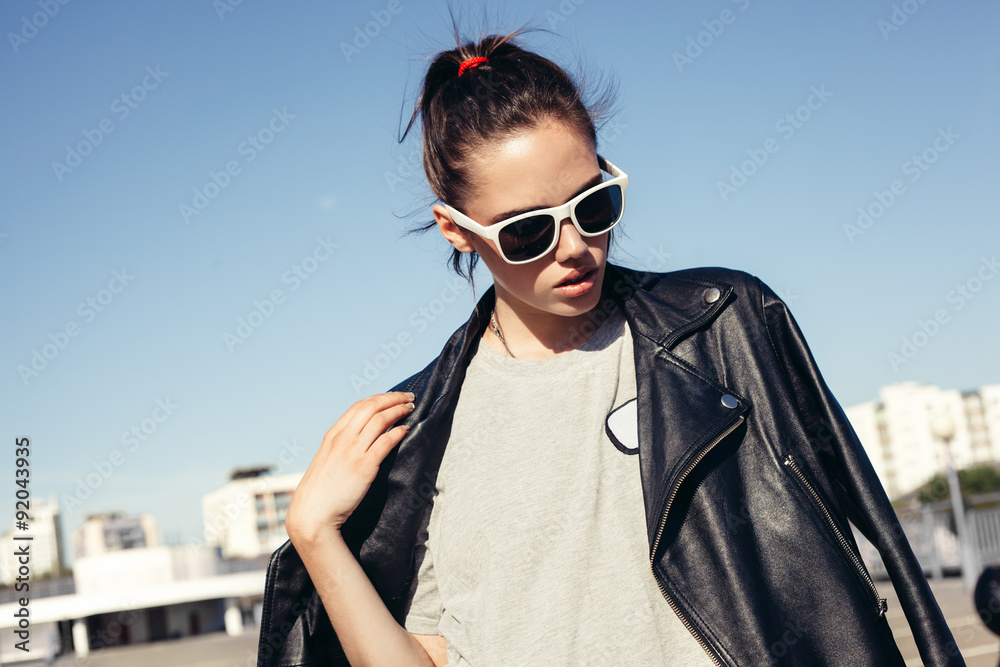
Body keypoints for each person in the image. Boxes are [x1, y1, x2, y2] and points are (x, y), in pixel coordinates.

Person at [256, 25, 965, 667]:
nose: (575, 247)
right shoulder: (425, 434)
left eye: (593, 205)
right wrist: (314, 534)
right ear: (455, 230)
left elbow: (850, 566)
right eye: (528, 230)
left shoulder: (721, 327)